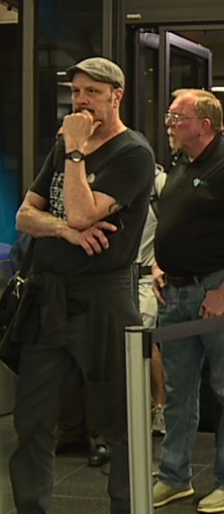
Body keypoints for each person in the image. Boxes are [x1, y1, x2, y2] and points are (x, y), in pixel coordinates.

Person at [8, 57, 154, 514]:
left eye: (91, 92)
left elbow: (82, 211)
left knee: (121, 420)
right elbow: (25, 216)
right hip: (49, 298)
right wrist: (66, 232)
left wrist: (75, 152)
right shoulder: (63, 146)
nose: (80, 101)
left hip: (103, 299)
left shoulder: (133, 153)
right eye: (75, 92)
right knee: (32, 421)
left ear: (117, 96)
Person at [152, 89, 224, 513]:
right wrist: (160, 266)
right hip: (177, 292)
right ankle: (174, 476)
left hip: (215, 291)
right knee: (180, 392)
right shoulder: (182, 163)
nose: (169, 122)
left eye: (176, 116)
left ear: (204, 124)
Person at [137, 162, 168, 436]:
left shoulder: (158, 185)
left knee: (146, 343)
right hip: (119, 278)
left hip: (147, 276)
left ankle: (159, 407)